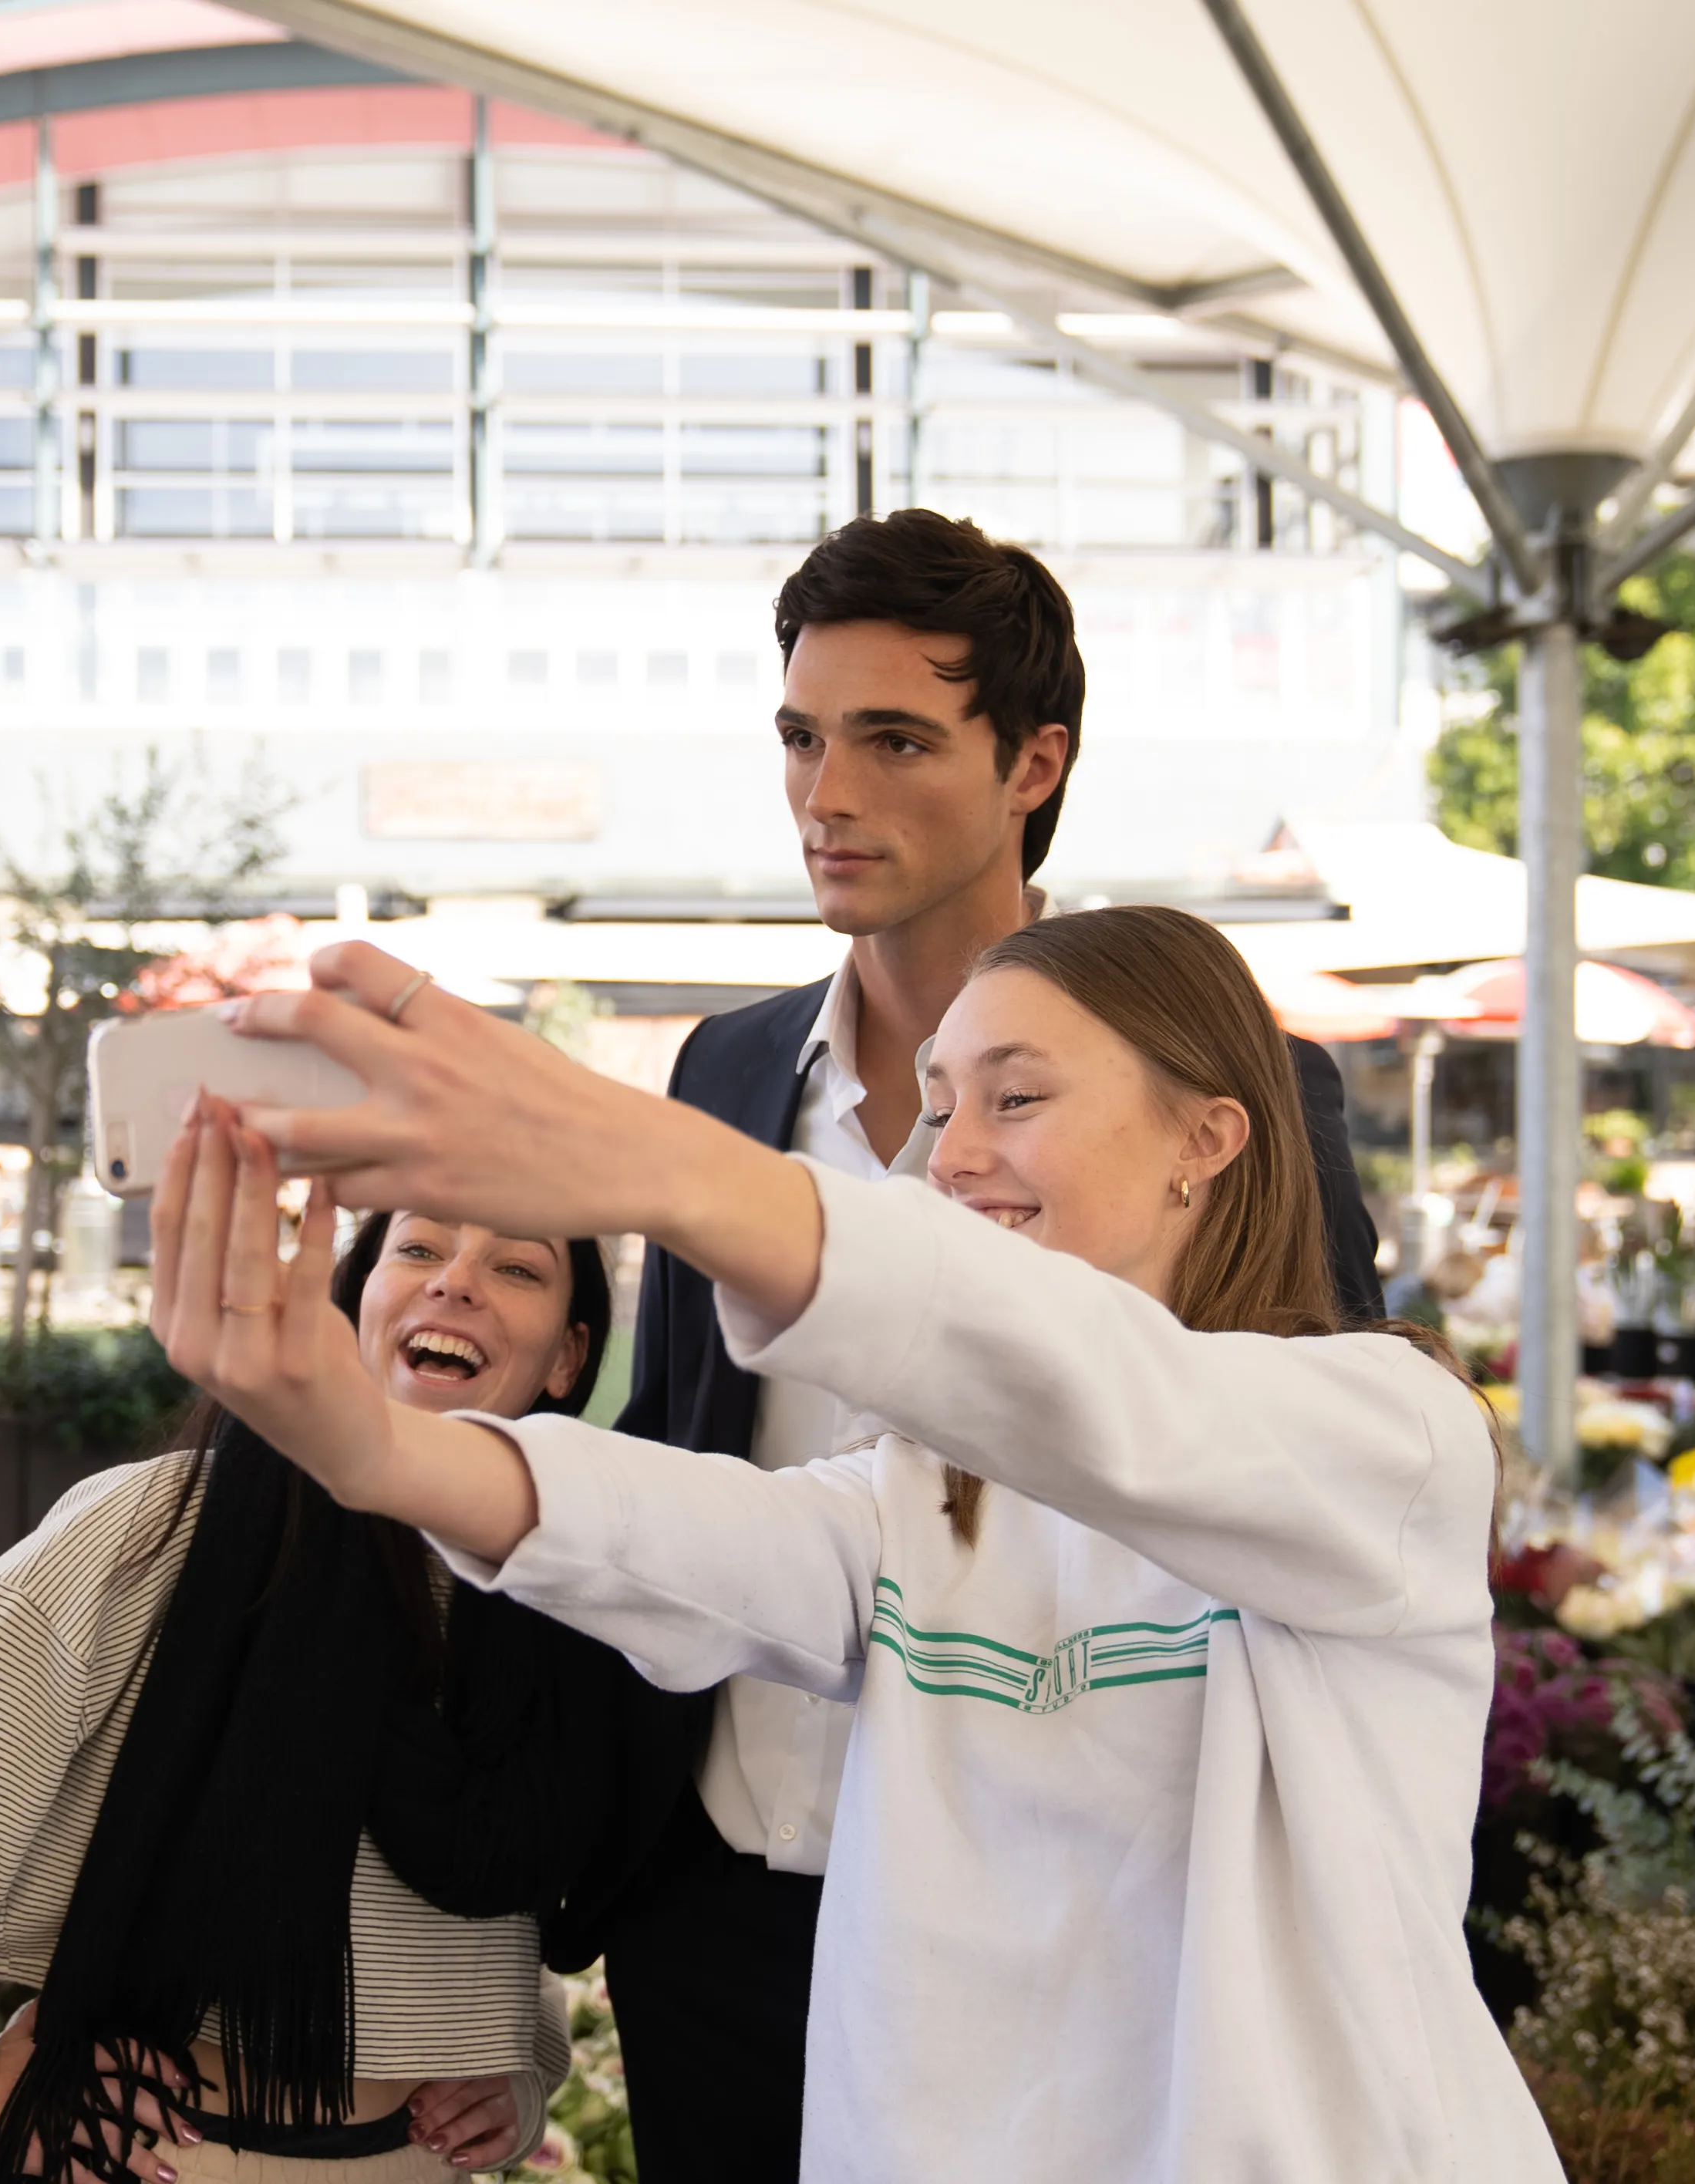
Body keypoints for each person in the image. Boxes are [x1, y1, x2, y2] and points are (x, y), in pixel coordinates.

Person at [150, 909, 1557, 2182]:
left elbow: (1114, 1398)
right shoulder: (932, 1494)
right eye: (940, 1107)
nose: (950, 1156)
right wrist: (371, 1444)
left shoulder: (1386, 1436)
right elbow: (688, 1533)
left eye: (1017, 1096)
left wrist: (651, 1165)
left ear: (1210, 1137)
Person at [605, 508, 1383, 2178]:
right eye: (803, 738)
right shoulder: (725, 1078)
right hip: (723, 1891)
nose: (828, 793)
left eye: (894, 740)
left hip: (1062, 1899)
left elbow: (1300, 1474)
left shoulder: (1216, 1087)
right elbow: (682, 1442)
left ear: (1033, 762)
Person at [0, 1207, 698, 2184]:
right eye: (417, 1248)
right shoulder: (182, 1525)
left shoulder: (564, 1602)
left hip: (409, 2165)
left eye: (516, 1268)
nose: (454, 1281)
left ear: (567, 1355)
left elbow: (515, 1877)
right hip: (155, 2156)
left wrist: (513, 2062)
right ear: (353, 1306)